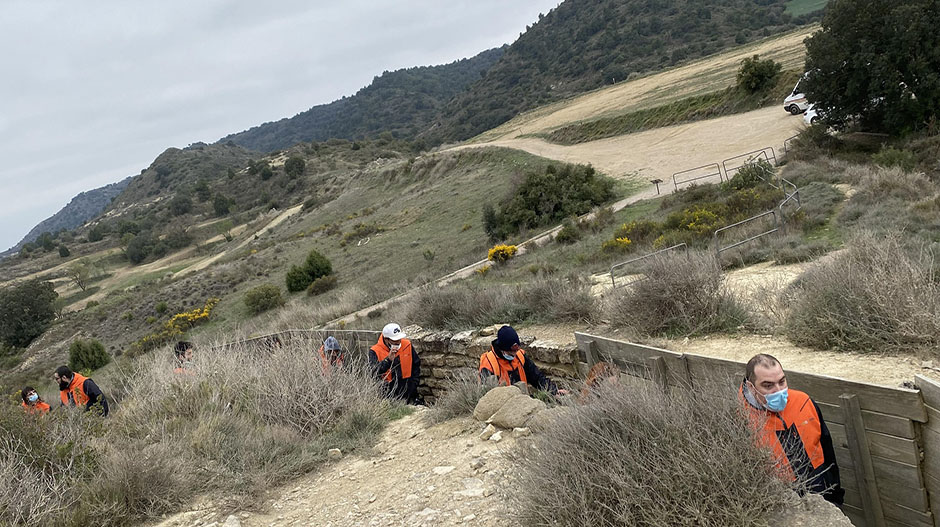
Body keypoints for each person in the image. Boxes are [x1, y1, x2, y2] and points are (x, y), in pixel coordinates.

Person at [741, 353, 843, 504]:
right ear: (751, 387)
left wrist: (836, 495)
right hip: (782, 500)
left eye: (782, 381)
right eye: (768, 385)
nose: (778, 390)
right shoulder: (742, 419)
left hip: (822, 491)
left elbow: (827, 450)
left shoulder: (804, 402)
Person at [478, 325, 563, 395]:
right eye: (511, 352)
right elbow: (487, 395)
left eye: (516, 350)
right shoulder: (489, 363)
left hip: (523, 402)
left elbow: (536, 377)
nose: (514, 354)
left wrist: (554, 391)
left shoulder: (520, 356)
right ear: (502, 349)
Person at [369, 323, 421, 404]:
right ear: (386, 339)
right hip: (389, 394)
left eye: (399, 339)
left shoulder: (407, 344)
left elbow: (416, 364)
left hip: (409, 391)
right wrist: (388, 360)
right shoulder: (375, 351)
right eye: (395, 340)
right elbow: (374, 373)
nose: (398, 342)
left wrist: (414, 384)